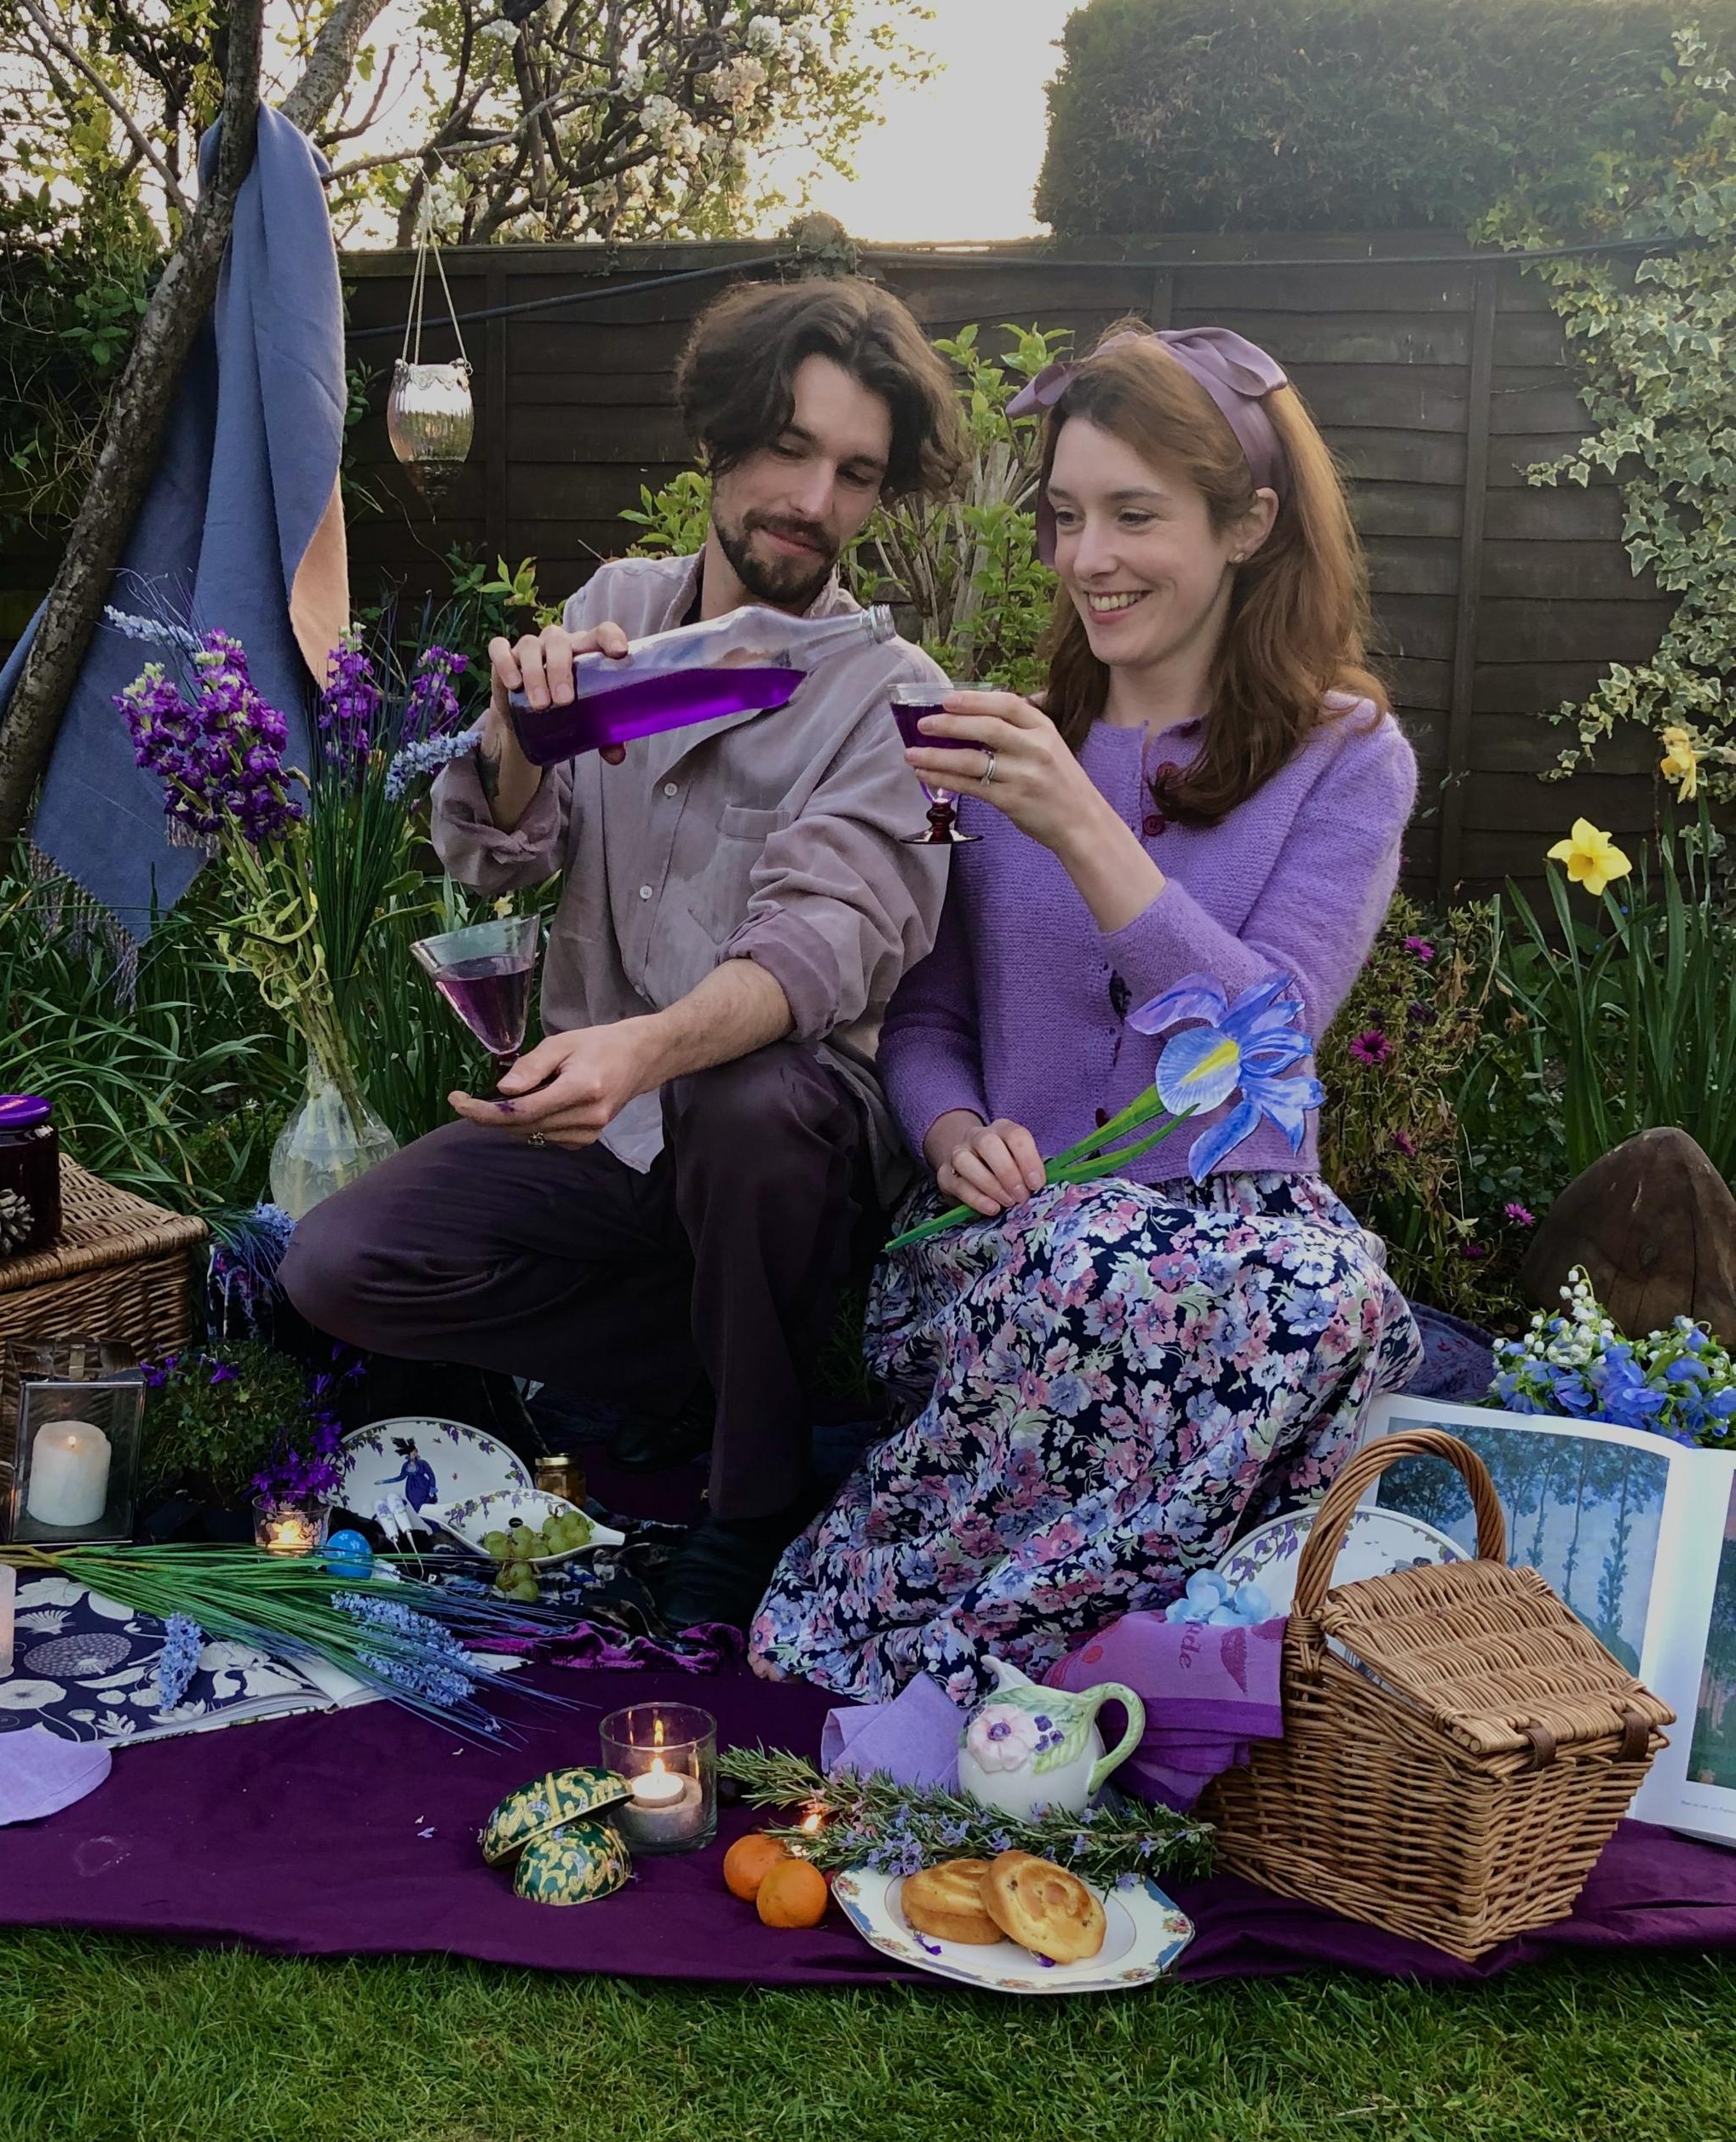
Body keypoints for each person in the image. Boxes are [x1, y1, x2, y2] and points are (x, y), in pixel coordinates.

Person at [749, 320, 1427, 1703]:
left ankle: (1029, 1665)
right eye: (1065, 517)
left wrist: (1084, 830)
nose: (1086, 559)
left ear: (1248, 524)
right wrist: (948, 1131)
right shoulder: (1004, 740)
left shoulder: (1347, 760)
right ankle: (1036, 1660)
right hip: (1013, 1255)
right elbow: (927, 1016)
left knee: (1334, 1302)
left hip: (1235, 1252)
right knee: (1098, 1274)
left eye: (1133, 516)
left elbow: (1268, 1061)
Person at [283, 278, 968, 1626]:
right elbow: (497, 855)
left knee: (746, 1097)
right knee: (334, 1265)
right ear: (717, 437)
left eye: (854, 474)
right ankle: (712, 1363)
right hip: (607, 1136)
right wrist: (512, 739)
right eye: (787, 448)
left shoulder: (896, 701)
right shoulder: (619, 611)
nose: (813, 501)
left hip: (783, 1152)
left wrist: (637, 1051)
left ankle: (754, 1496)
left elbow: (823, 944)